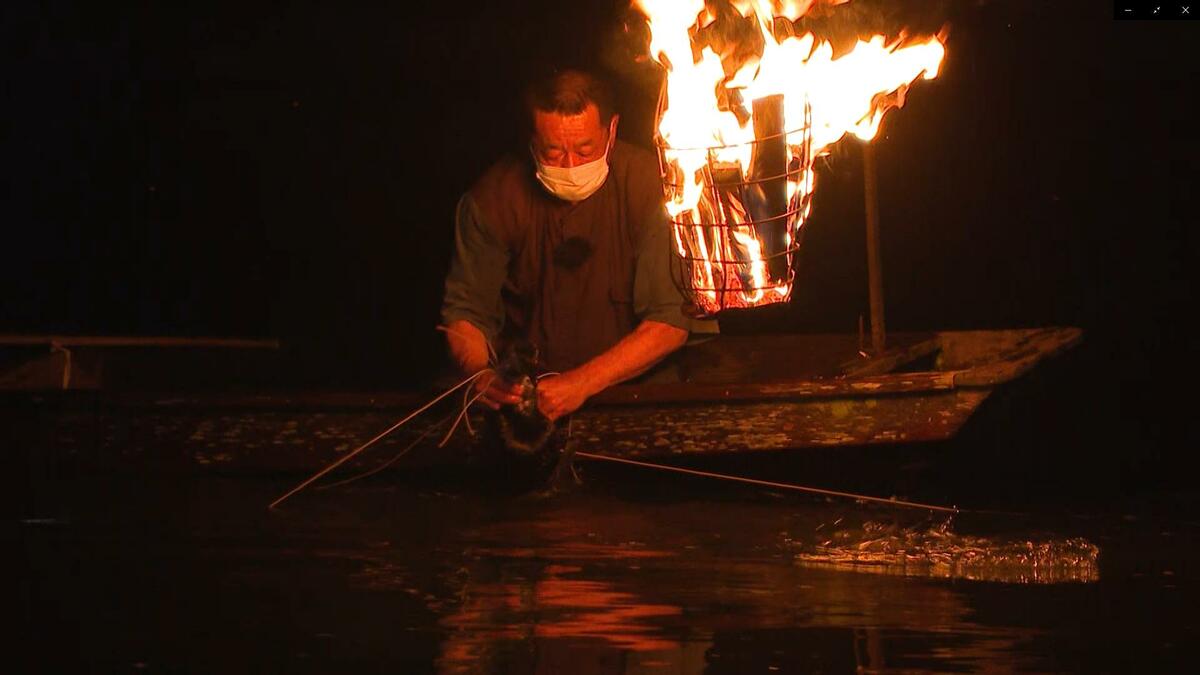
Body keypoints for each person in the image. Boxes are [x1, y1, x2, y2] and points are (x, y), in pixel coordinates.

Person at [441, 68, 716, 422]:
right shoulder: (493, 198)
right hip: (525, 402)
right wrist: (479, 374)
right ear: (531, 140)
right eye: (553, 152)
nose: (570, 166)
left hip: (640, 395)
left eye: (585, 150)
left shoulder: (655, 188)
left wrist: (582, 383)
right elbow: (465, 313)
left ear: (612, 130)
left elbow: (670, 322)